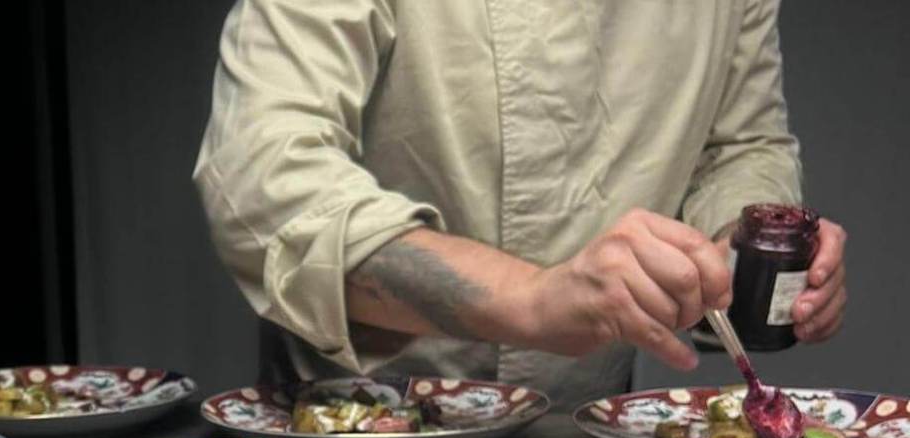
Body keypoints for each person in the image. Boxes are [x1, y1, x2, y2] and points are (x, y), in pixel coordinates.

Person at [194, 0, 848, 404]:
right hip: (353, 425)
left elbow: (741, 145)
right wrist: (530, 300)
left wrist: (749, 252)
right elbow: (261, 178)